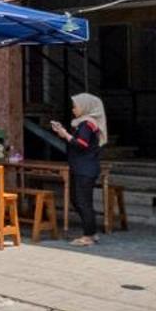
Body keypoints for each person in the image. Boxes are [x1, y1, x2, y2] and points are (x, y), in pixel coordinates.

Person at [49, 93, 108, 246]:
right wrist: (63, 133)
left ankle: (89, 235)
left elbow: (81, 144)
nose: (73, 109)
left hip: (85, 169)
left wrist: (65, 134)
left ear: (86, 107)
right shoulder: (84, 124)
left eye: (76, 106)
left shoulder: (88, 124)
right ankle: (91, 232)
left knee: (83, 202)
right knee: (79, 200)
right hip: (82, 168)